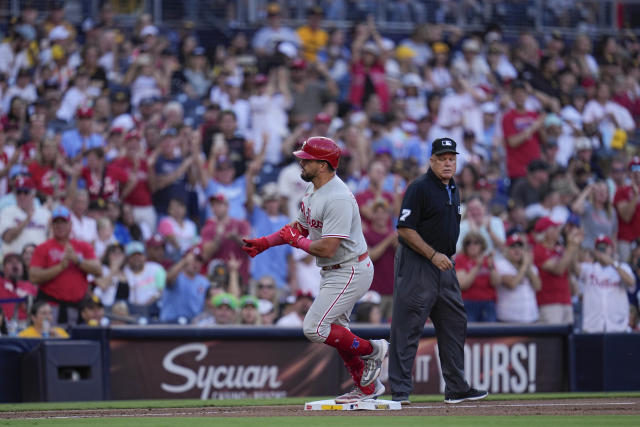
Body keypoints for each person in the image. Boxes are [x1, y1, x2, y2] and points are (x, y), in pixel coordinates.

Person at [241, 136, 388, 403]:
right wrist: (265, 243)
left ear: (322, 165)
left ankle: (373, 350)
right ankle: (367, 389)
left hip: (350, 268)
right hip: (335, 270)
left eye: (306, 159)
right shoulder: (313, 189)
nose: (301, 161)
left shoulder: (339, 197)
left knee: (314, 328)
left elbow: (327, 247)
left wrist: (296, 242)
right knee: (335, 333)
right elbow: (297, 229)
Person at [390, 137, 488, 405]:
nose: (447, 162)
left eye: (451, 158)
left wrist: (440, 257)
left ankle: (456, 387)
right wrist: (432, 255)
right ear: (431, 160)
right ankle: (399, 391)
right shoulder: (419, 187)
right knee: (408, 325)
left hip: (444, 264)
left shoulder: (453, 188)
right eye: (442, 158)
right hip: (418, 262)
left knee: (455, 322)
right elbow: (405, 229)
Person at [29, 206, 101, 326]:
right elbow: (33, 276)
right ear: (52, 225)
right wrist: (60, 267)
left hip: (78, 308)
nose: (60, 226)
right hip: (51, 308)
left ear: (70, 224)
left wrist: (77, 260)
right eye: (56, 222)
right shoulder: (43, 248)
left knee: (77, 343)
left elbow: (98, 270)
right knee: (52, 341)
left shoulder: (83, 246)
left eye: (63, 222)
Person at [576, 235, 635, 332]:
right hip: (593, 328)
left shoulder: (622, 267)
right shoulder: (589, 268)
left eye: (605, 247)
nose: (602, 250)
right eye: (599, 247)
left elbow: (631, 282)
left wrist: (613, 263)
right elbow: (574, 268)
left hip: (617, 327)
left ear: (611, 249)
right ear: (595, 251)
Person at [494, 233, 541, 323]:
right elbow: (512, 284)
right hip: (509, 318)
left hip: (531, 317)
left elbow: (538, 286)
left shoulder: (531, 267)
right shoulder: (500, 265)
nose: (517, 250)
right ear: (506, 250)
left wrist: (527, 267)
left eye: (520, 247)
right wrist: (524, 266)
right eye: (513, 247)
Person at [455, 232, 500, 322]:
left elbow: (496, 283)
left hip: (488, 304)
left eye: (476, 242)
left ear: (482, 245)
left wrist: (491, 267)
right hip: (469, 303)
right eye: (468, 243)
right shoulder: (461, 259)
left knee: (490, 334)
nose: (472, 245)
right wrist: (477, 267)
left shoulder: (487, 259)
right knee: (470, 335)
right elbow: (463, 285)